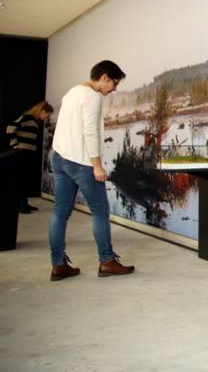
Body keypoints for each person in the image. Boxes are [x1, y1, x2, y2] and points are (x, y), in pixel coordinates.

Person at [48, 60, 135, 281]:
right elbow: (90, 132)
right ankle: (107, 262)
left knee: (60, 212)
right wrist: (97, 165)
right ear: (104, 77)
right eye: (114, 83)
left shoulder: (72, 93)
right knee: (100, 210)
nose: (114, 89)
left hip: (59, 157)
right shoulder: (93, 97)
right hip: (81, 162)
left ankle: (58, 266)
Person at [6, 101, 54, 213]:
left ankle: (24, 204)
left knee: (25, 178)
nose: (46, 118)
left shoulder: (33, 120)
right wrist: (15, 144)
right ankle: (22, 206)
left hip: (28, 152)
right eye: (46, 115)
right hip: (22, 152)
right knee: (22, 178)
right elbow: (10, 127)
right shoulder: (27, 117)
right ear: (42, 111)